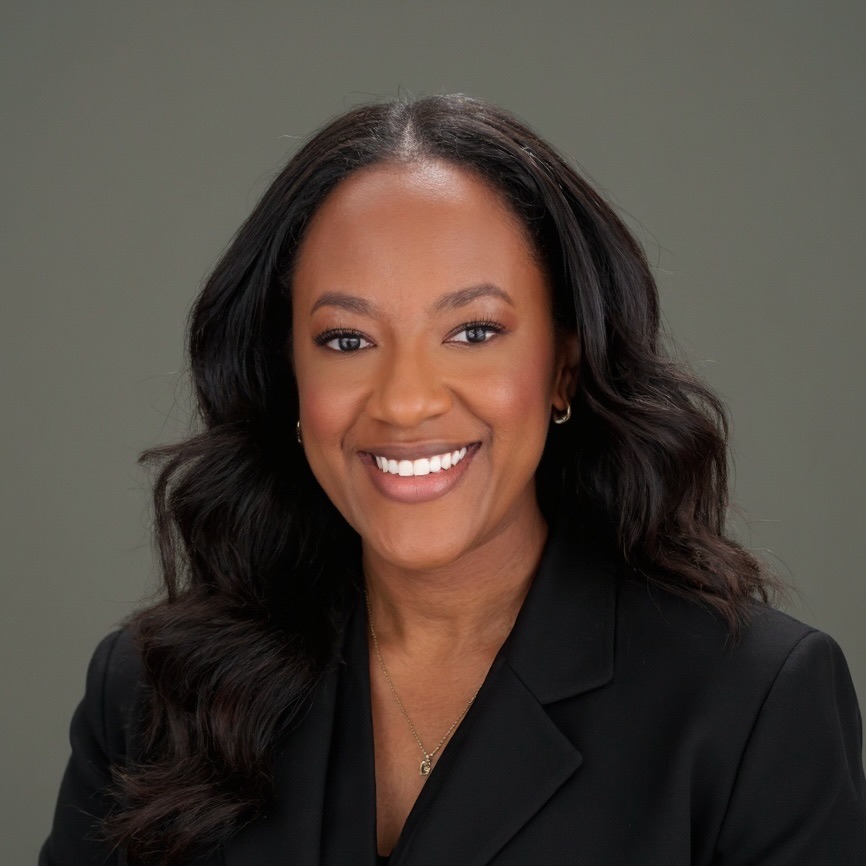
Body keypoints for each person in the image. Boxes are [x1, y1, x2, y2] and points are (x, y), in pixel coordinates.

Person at [40, 94, 866, 866]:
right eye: (347, 340)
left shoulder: (751, 704)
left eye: (473, 330)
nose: (405, 402)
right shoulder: (150, 694)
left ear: (564, 367)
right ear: (286, 374)